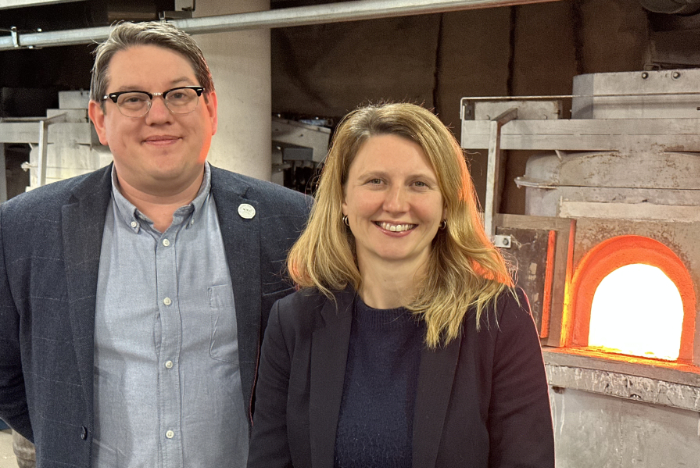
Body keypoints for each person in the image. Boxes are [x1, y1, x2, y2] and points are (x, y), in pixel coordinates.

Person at [0, 21, 310, 468]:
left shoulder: (291, 223)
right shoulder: (24, 229)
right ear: (100, 120)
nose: (159, 114)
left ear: (211, 110)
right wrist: (64, 431)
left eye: (180, 94)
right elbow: (8, 376)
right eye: (132, 98)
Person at [247, 103, 555, 468]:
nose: (395, 204)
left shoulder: (499, 318)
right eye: (376, 181)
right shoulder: (294, 322)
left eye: (419, 184)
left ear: (446, 205)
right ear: (343, 198)